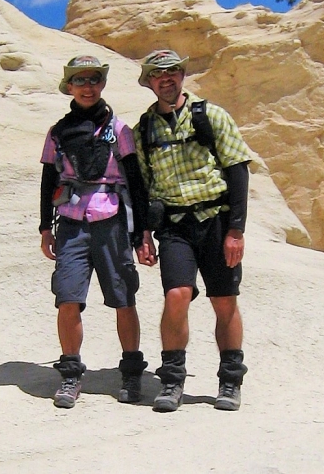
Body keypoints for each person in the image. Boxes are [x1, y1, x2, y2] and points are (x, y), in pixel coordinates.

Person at [133, 49, 253, 412]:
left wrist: (236, 231)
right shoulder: (145, 129)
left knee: (224, 300)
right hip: (174, 225)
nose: (165, 79)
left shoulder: (212, 116)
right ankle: (171, 380)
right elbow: (141, 184)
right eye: (157, 74)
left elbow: (237, 171)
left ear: (182, 75)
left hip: (215, 220)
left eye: (172, 72)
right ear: (150, 82)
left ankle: (230, 381)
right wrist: (141, 233)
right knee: (176, 297)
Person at [38, 55, 150, 409]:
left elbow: (136, 180)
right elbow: (48, 179)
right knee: (67, 297)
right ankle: (71, 373)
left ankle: (131, 372)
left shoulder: (119, 130)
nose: (88, 86)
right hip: (71, 222)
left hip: (112, 219)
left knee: (123, 297)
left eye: (94, 80)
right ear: (69, 87)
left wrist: (143, 232)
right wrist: (45, 226)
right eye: (80, 80)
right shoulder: (58, 132)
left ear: (101, 85)